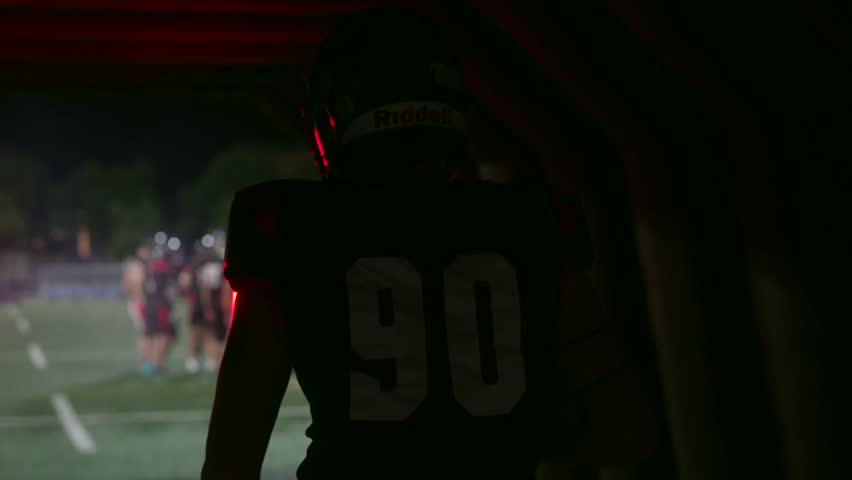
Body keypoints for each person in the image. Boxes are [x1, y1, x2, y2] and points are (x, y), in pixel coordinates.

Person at [203, 6, 657, 480]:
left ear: (330, 120)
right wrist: (502, 444)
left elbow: (230, 463)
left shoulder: (288, 226)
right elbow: (627, 431)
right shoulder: (530, 224)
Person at [141, 245, 176, 377]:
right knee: (163, 336)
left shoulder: (149, 267)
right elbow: (169, 290)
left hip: (150, 304)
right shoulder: (165, 268)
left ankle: (148, 365)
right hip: (161, 305)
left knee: (150, 335)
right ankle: (158, 365)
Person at [122, 242, 151, 370]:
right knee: (146, 332)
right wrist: (139, 299)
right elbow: (130, 285)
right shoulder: (136, 266)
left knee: (147, 332)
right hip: (139, 303)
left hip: (142, 303)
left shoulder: (145, 265)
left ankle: (147, 360)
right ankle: (144, 361)